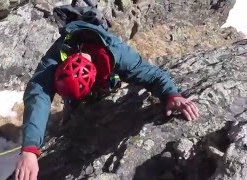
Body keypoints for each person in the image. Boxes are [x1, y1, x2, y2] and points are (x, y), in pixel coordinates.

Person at [15, 20, 199, 180]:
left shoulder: (119, 55)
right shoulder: (55, 59)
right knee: (72, 115)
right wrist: (30, 149)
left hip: (105, 76)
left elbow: (154, 75)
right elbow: (38, 96)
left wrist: (172, 95)